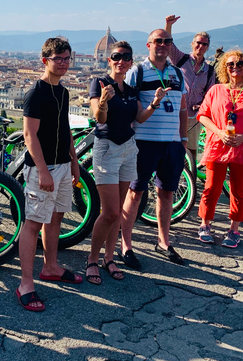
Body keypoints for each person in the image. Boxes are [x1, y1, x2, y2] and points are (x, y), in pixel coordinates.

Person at [84, 41, 168, 284]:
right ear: (108, 60)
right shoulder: (99, 83)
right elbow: (99, 118)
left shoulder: (132, 89)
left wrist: (154, 103)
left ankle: (109, 258)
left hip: (129, 149)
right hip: (107, 148)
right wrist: (102, 101)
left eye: (126, 57)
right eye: (116, 56)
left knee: (119, 211)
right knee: (109, 212)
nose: (121, 61)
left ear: (131, 61)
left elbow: (139, 117)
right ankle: (92, 259)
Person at [16, 37, 82, 312]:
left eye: (67, 58)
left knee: (56, 217)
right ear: (45, 61)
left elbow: (64, 129)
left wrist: (74, 161)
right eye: (59, 59)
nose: (64, 63)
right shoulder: (37, 92)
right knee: (32, 222)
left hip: (63, 165)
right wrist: (43, 171)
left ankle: (51, 267)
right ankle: (25, 284)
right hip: (43, 168)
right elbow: (29, 135)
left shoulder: (63, 92)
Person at [120, 29, 188, 267]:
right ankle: (126, 245)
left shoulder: (178, 73)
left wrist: (183, 141)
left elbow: (182, 110)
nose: (163, 44)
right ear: (148, 45)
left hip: (172, 145)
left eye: (167, 41)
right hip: (143, 143)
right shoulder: (137, 72)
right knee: (135, 193)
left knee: (166, 193)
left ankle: (163, 241)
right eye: (158, 41)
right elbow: (131, 110)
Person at [196, 50, 243, 248]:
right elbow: (203, 116)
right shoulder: (216, 90)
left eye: (239, 64)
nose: (235, 67)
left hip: (242, 148)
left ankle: (234, 229)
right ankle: (205, 224)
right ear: (224, 68)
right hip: (217, 146)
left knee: (238, 191)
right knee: (211, 188)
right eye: (230, 64)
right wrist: (219, 132)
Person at [164, 15, 216, 181]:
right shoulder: (181, 59)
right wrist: (168, 25)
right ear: (192, 44)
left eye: (204, 44)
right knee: (171, 146)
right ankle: (171, 178)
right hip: (174, 112)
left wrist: (201, 105)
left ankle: (190, 180)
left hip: (193, 117)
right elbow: (168, 44)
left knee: (191, 149)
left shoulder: (209, 70)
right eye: (198, 43)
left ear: (207, 47)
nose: (200, 46)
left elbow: (209, 94)